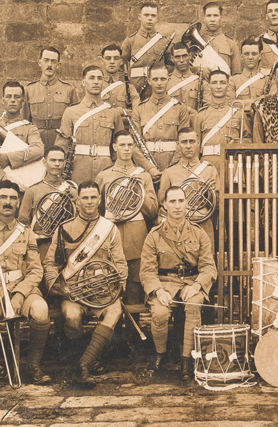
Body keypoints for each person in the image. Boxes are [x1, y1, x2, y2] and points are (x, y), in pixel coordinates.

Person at [44, 181, 127, 388]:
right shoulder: (63, 228)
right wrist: (60, 288)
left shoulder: (110, 229)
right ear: (77, 200)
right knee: (72, 317)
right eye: (85, 198)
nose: (89, 202)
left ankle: (83, 364)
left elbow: (121, 265)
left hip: (102, 293)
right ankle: (82, 362)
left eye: (93, 197)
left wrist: (116, 290)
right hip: (72, 292)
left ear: (99, 200)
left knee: (115, 310)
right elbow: (50, 264)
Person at [140, 185, 217, 381]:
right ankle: (161, 353)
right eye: (172, 201)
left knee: (193, 306)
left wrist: (197, 286)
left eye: (181, 201)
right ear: (164, 205)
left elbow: (209, 267)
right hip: (164, 283)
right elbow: (147, 270)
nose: (177, 206)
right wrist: (158, 291)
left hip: (191, 282)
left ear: (187, 203)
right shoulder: (154, 235)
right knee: (160, 312)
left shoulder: (199, 233)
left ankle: (187, 360)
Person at [95, 130, 158, 306]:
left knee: (134, 288)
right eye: (122, 145)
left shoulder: (143, 175)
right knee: (110, 284)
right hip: (110, 234)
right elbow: (96, 211)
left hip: (136, 235)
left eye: (130, 145)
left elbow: (152, 211)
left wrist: (138, 189)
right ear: (114, 147)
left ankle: (133, 334)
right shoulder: (104, 176)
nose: (126, 149)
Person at [0, 180, 51, 384]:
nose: (8, 202)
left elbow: (35, 270)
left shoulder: (26, 232)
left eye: (13, 198)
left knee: (41, 310)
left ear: (19, 202)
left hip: (22, 288)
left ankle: (34, 365)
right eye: (3, 197)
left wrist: (20, 294)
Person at [55, 66, 125, 185]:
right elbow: (62, 146)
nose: (96, 82)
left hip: (105, 167)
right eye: (91, 78)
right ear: (83, 82)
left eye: (99, 78)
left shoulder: (112, 112)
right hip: (78, 168)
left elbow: (120, 145)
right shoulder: (71, 111)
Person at [158, 128, 219, 248]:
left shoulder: (209, 170)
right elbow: (162, 204)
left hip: (203, 226)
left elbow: (218, 205)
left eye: (192, 141)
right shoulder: (169, 172)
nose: (188, 146)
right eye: (184, 142)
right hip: (177, 229)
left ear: (198, 143)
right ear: (178, 144)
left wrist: (208, 194)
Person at [18, 147, 78, 261]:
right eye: (53, 160)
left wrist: (75, 199)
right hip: (41, 245)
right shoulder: (32, 191)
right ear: (44, 162)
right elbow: (23, 222)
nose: (57, 164)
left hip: (67, 244)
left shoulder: (72, 190)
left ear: (65, 163)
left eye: (60, 161)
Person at [130, 62, 190, 174]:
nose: (159, 83)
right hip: (146, 168)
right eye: (155, 79)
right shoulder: (139, 109)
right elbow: (134, 145)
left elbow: (184, 142)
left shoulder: (180, 109)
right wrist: (150, 168)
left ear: (169, 79)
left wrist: (171, 169)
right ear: (149, 80)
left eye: (163, 79)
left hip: (173, 166)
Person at [192, 70, 252, 169]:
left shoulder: (238, 113)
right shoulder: (201, 115)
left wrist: (236, 144)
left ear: (228, 86)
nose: (218, 87)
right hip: (207, 165)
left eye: (222, 83)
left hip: (232, 163)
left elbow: (249, 141)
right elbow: (194, 145)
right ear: (209, 86)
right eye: (214, 83)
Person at [24, 46, 78, 148]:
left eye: (53, 61)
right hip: (36, 141)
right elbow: (24, 121)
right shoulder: (29, 89)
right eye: (46, 60)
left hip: (60, 140)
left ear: (58, 65)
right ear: (40, 63)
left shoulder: (68, 90)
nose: (49, 65)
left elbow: (75, 121)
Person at [121, 2, 172, 97]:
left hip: (157, 91)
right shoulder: (130, 41)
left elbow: (171, 66)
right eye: (146, 15)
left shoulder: (163, 41)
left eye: (153, 15)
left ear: (157, 18)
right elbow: (122, 68)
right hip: (135, 90)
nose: (150, 18)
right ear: (139, 17)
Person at [0, 81, 44, 175]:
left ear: (23, 102)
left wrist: (9, 158)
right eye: (8, 96)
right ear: (3, 100)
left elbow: (38, 149)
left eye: (17, 97)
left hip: (15, 177)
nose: (12, 100)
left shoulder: (29, 128)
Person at [195, 2, 241, 75]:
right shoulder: (195, 43)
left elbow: (236, 74)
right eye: (209, 16)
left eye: (216, 15)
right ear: (204, 18)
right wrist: (199, 70)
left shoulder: (231, 44)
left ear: (221, 17)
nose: (212, 19)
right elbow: (189, 70)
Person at [229, 37, 270, 114]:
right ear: (241, 57)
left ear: (260, 56)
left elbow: (271, 104)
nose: (250, 57)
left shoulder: (268, 80)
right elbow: (230, 104)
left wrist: (241, 103)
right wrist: (259, 100)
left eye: (254, 54)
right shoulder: (233, 80)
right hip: (240, 122)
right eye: (246, 54)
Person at [99, 44, 141, 117]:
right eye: (108, 58)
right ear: (102, 61)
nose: (112, 62)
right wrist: (120, 111)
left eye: (116, 58)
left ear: (121, 62)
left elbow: (136, 113)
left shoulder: (128, 86)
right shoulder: (96, 85)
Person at [166, 42, 201, 115]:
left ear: (190, 56)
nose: (181, 60)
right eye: (177, 57)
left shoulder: (199, 81)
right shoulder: (166, 82)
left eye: (184, 56)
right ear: (172, 59)